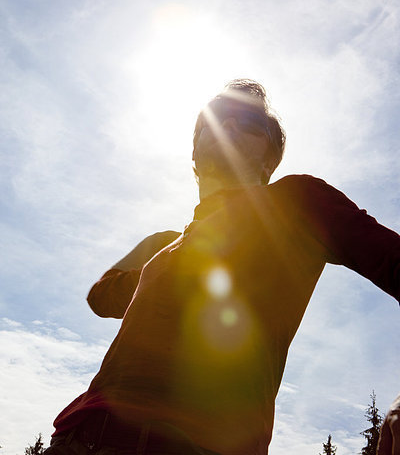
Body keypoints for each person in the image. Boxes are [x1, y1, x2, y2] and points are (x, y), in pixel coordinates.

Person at [45, 79, 400, 455]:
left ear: (268, 162)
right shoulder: (165, 249)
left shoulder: (296, 202)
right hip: (76, 440)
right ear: (195, 153)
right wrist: (162, 249)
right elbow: (101, 298)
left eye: (248, 122)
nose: (228, 125)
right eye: (214, 119)